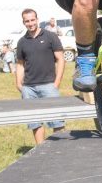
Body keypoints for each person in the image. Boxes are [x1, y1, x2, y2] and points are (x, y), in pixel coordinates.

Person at [15, 8, 66, 145]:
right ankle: (41, 152)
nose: (30, 23)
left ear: (37, 20)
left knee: (57, 121)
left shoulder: (50, 36)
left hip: (49, 85)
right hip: (29, 88)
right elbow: (20, 64)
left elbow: (60, 59)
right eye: (27, 21)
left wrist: (57, 82)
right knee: (35, 123)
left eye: (32, 20)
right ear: (23, 22)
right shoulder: (22, 42)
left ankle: (60, 151)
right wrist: (19, 84)